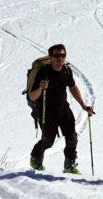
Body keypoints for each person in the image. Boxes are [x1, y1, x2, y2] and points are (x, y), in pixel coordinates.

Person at [27, 44, 94, 174]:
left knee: (72, 137)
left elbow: (73, 87)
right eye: (57, 56)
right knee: (48, 140)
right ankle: (35, 157)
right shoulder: (44, 72)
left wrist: (83, 106)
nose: (60, 59)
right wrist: (41, 88)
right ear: (50, 57)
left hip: (63, 108)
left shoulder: (66, 70)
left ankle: (69, 165)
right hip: (46, 110)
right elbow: (32, 96)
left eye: (62, 55)